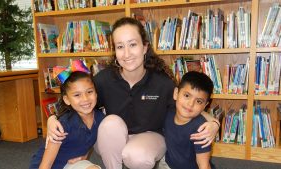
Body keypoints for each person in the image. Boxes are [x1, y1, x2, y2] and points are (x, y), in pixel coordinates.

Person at [46, 17, 220, 169]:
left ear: (145, 47)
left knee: (136, 156)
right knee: (110, 123)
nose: (127, 53)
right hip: (112, 138)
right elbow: (80, 104)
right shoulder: (103, 79)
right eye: (120, 46)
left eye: (133, 44)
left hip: (150, 138)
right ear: (115, 51)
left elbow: (188, 105)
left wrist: (214, 123)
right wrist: (52, 119)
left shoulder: (162, 82)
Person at [29, 71, 104, 169]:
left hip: (70, 165)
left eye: (89, 92)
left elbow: (89, 140)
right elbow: (45, 165)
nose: (85, 99)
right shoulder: (62, 126)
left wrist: (85, 156)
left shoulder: (100, 118)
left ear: (96, 93)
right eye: (77, 95)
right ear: (67, 100)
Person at [159, 71, 215, 169]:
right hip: (169, 164)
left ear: (205, 106)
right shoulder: (167, 112)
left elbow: (204, 165)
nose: (190, 104)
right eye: (187, 96)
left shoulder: (201, 129)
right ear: (176, 93)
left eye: (198, 101)